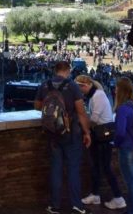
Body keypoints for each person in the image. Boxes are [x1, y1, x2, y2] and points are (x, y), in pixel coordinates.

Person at [35, 61, 91, 214]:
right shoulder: (72, 86)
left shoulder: (45, 85)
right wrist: (87, 132)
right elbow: (81, 112)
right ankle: (76, 205)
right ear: (67, 70)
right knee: (73, 168)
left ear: (55, 71)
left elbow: (37, 106)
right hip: (70, 132)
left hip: (52, 132)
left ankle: (54, 205)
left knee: (56, 169)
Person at [76, 74, 126, 210]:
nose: (80, 92)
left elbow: (94, 119)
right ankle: (95, 194)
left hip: (102, 137)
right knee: (98, 167)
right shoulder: (95, 95)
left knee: (105, 168)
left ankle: (118, 197)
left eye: (80, 88)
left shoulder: (97, 96)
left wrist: (83, 123)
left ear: (85, 86)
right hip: (101, 137)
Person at [112, 76, 133, 214]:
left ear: (121, 90)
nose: (114, 90)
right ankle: (132, 210)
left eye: (116, 87)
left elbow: (120, 132)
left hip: (127, 148)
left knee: (131, 183)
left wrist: (115, 144)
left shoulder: (122, 109)